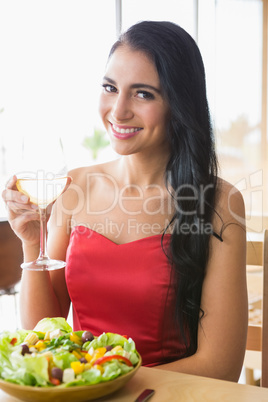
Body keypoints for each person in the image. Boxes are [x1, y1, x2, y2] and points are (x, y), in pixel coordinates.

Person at [2, 21, 247, 382]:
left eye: (143, 94)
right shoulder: (76, 185)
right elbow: (43, 335)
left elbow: (220, 367)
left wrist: (104, 382)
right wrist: (31, 245)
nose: (118, 111)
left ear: (178, 104)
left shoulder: (220, 202)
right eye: (110, 87)